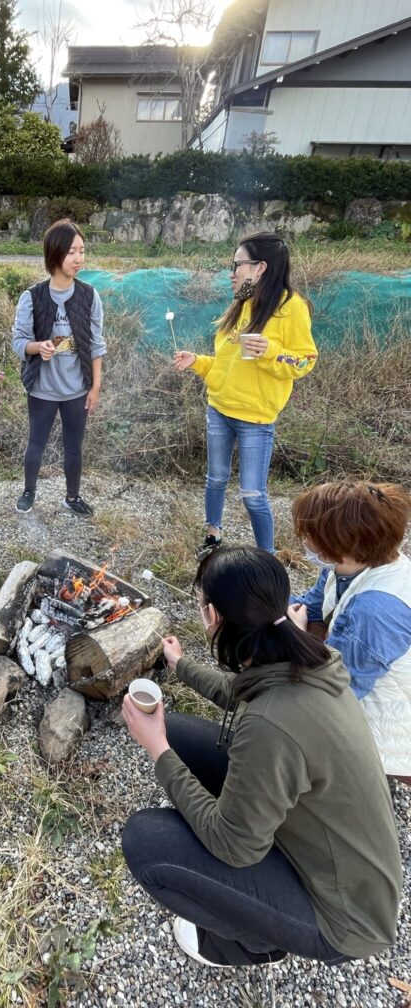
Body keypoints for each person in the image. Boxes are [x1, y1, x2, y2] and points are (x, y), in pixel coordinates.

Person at [121, 546, 401, 968]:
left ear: (212, 616)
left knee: (146, 842)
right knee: (177, 730)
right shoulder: (310, 659)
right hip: (327, 849)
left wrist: (157, 749)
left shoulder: (272, 725)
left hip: (343, 917)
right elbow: (242, 692)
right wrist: (179, 666)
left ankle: (250, 944)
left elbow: (233, 845)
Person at [174, 233, 317, 556]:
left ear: (261, 267)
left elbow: (305, 360)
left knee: (252, 493)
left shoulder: (290, 306)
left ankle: (265, 556)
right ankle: (212, 537)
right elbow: (227, 365)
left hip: (255, 416)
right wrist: (197, 362)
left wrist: (271, 350)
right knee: (216, 478)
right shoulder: (242, 300)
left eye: (237, 264)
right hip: (220, 408)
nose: (232, 272)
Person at [289, 480, 411, 782]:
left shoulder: (375, 612)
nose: (305, 541)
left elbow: (335, 690)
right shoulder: (348, 566)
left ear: (339, 544)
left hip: (387, 734)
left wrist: (296, 635)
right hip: (356, 686)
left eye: (311, 535)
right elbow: (310, 607)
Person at [12, 219, 106, 516]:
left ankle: (72, 497)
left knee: (74, 446)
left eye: (82, 251)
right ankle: (29, 491)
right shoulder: (32, 296)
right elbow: (18, 341)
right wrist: (38, 347)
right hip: (42, 388)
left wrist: (96, 386)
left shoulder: (89, 295)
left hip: (77, 389)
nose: (79, 259)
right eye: (72, 252)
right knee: (36, 444)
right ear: (55, 255)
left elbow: (96, 344)